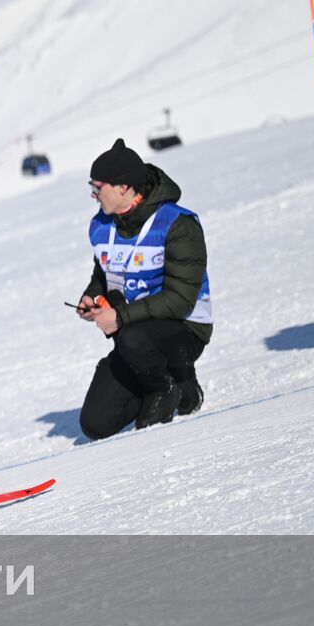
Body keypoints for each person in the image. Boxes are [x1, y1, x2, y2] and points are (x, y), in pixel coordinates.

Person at [76, 138, 212, 440]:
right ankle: (163, 381)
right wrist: (93, 296)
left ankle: (169, 387)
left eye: (98, 187)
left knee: (134, 336)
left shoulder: (177, 224)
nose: (93, 195)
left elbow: (180, 300)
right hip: (133, 336)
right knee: (96, 423)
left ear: (122, 188)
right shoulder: (102, 225)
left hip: (183, 330)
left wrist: (120, 318)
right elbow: (104, 272)